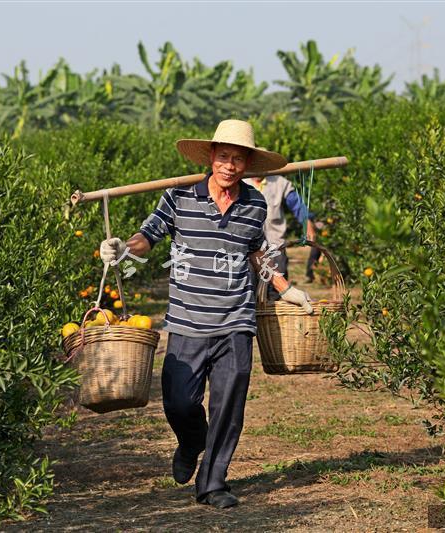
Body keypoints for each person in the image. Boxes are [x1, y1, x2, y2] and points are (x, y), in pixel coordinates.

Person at [100, 119, 314, 509]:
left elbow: (256, 254)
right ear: (211, 157)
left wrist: (287, 289)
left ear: (247, 164)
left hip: (236, 320)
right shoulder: (179, 195)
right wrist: (122, 248)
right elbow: (148, 236)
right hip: (187, 321)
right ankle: (190, 441)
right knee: (179, 402)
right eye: (224, 156)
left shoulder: (254, 203)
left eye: (239, 159)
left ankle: (213, 482)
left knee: (228, 407)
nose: (230, 166)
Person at [242, 175, 316, 299]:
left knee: (276, 291)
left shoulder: (280, 183)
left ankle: (273, 317)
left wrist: (307, 224)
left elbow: (298, 206)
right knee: (249, 288)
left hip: (275, 246)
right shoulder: (240, 181)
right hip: (247, 248)